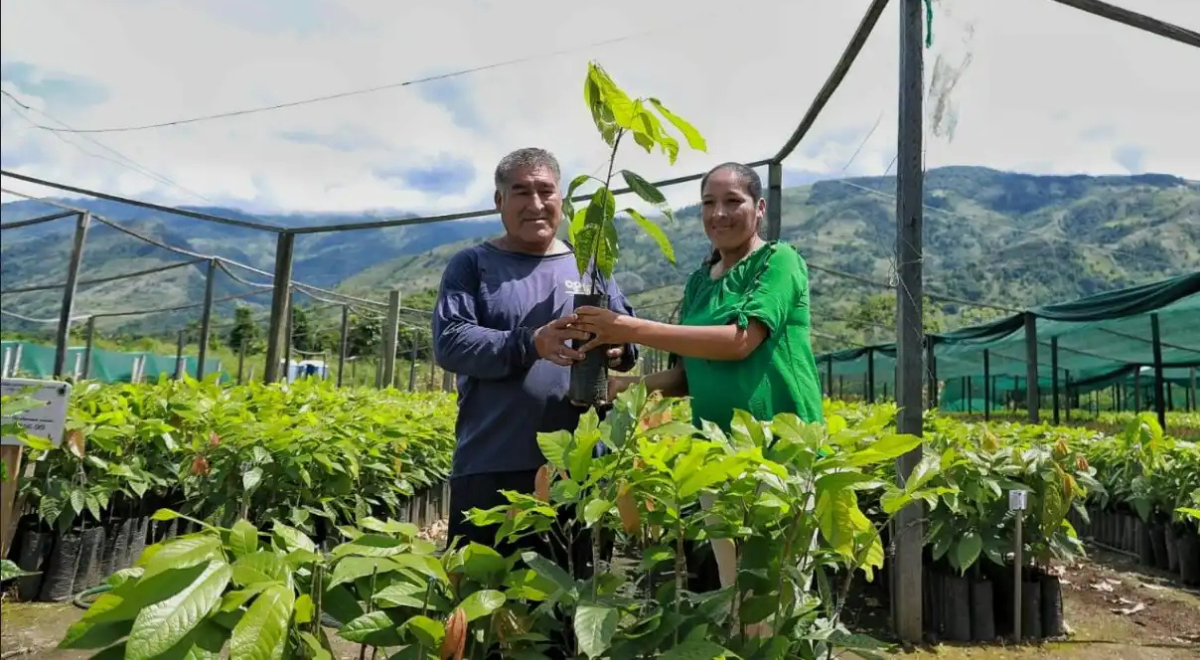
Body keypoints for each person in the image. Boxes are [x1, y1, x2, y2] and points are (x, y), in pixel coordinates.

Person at [570, 161, 824, 592]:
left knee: (778, 596)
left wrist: (628, 328)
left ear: (760, 208)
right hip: (717, 456)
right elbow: (686, 377)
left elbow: (740, 342)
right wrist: (624, 386)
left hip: (781, 453)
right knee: (734, 591)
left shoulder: (779, 261)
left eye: (733, 201)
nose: (719, 213)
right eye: (709, 203)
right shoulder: (698, 284)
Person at [432, 147, 639, 567]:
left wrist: (620, 350)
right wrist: (531, 343)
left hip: (576, 468)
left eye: (546, 191)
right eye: (521, 192)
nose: (536, 203)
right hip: (492, 463)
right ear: (499, 200)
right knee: (485, 591)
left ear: (561, 199)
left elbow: (627, 335)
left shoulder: (590, 266)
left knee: (569, 594)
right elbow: (450, 342)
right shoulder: (472, 265)